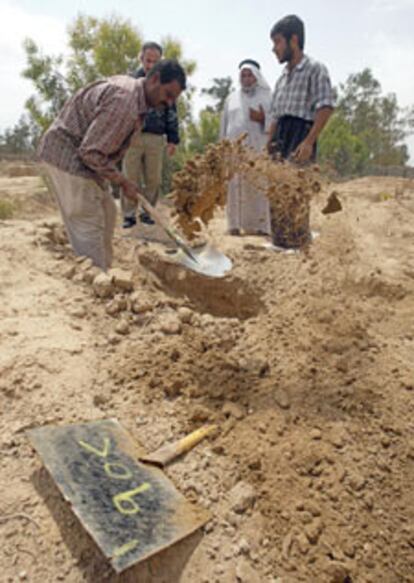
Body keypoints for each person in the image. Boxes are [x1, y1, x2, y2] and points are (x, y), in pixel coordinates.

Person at [38, 60, 186, 270]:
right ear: (154, 80)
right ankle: (96, 283)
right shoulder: (124, 102)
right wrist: (123, 181)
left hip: (86, 162)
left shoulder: (136, 98)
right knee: (87, 221)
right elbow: (90, 152)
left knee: (108, 212)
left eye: (174, 98)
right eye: (168, 94)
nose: (169, 103)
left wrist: (120, 181)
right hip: (68, 158)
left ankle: (104, 273)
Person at [122, 42, 180, 228]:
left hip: (156, 138)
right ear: (141, 58)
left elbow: (172, 112)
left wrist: (172, 139)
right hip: (132, 136)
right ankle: (129, 215)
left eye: (155, 61)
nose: (150, 64)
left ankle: (148, 213)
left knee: (153, 178)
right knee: (130, 176)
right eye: (148, 60)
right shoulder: (130, 81)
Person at [267, 15, 334, 163]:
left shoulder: (314, 69)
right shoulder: (281, 79)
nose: (274, 49)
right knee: (275, 184)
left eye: (278, 42)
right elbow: (275, 117)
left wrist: (309, 142)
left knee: (296, 183)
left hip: (300, 135)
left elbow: (325, 106)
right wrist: (267, 146)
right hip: (279, 137)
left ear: (294, 40)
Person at [220, 59, 272, 236]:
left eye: (250, 75)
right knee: (234, 186)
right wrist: (222, 147)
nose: (246, 78)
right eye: (243, 75)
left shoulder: (268, 97)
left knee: (257, 185)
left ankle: (260, 227)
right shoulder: (231, 98)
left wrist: (263, 118)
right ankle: (234, 225)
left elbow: (277, 123)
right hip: (234, 149)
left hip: (258, 149)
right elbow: (224, 124)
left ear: (257, 77)